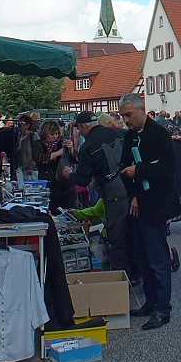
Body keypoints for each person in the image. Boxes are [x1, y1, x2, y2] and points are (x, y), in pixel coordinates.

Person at [118, 94, 179, 331]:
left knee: (157, 258)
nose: (125, 120)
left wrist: (140, 171)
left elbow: (168, 168)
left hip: (156, 203)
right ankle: (151, 301)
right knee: (141, 254)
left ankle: (163, 309)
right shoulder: (130, 136)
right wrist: (133, 192)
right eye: (123, 116)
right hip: (138, 202)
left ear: (142, 109)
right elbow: (125, 166)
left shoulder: (159, 134)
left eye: (129, 115)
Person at [63, 112, 133, 276]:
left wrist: (69, 175)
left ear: (83, 127)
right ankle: (137, 273)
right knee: (133, 234)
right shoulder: (120, 132)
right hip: (133, 190)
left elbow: (83, 179)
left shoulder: (87, 146)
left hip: (114, 193)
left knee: (117, 237)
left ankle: (120, 277)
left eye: (79, 129)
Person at [13, 116, 37, 183]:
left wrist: (31, 166)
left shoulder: (33, 136)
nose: (18, 127)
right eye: (18, 125)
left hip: (31, 171)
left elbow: (38, 152)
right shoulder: (20, 138)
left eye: (20, 125)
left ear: (27, 125)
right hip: (21, 170)